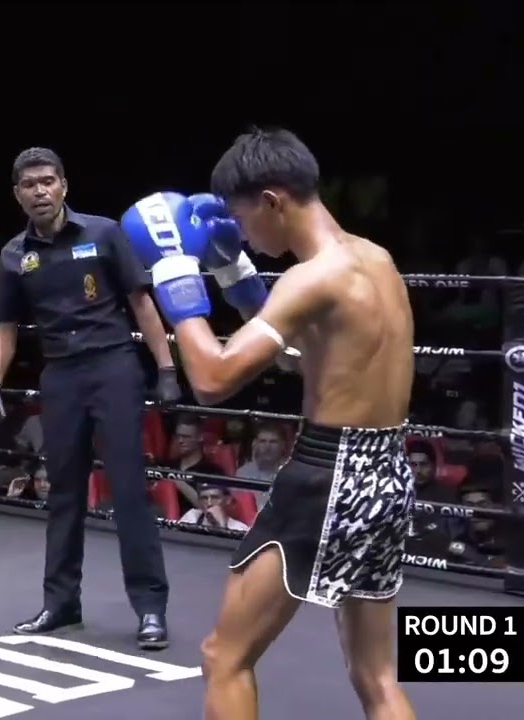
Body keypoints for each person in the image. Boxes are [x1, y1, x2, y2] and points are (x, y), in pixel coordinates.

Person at [120, 127, 417, 719]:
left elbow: (212, 378)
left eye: (241, 217)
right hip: (387, 474)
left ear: (273, 201)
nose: (242, 231)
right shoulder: (373, 259)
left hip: (329, 475)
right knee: (376, 677)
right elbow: (300, 355)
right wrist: (234, 274)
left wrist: (176, 271)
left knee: (224, 656)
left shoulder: (314, 278)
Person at [0, 147, 175, 649]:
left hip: (113, 366)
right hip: (61, 375)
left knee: (129, 488)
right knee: (63, 492)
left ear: (64, 185)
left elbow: (141, 302)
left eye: (48, 181)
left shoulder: (104, 233)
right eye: (30, 185)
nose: (40, 191)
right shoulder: (14, 254)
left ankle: (150, 608)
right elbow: (4, 328)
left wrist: (166, 368)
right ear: (18, 194)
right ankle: (61, 603)